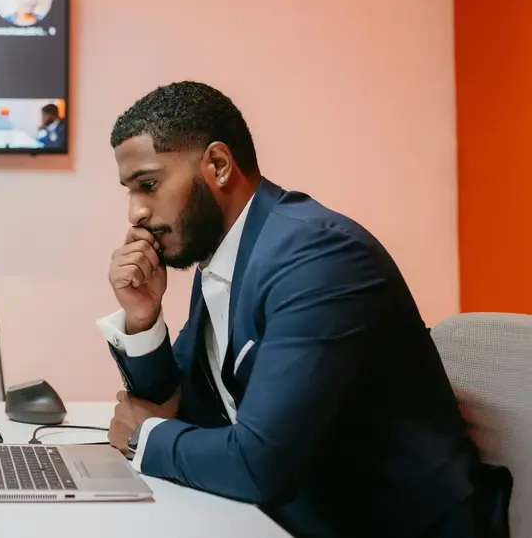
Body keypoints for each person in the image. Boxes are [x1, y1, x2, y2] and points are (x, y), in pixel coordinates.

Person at [99, 81, 511, 538]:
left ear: (218, 165)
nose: (135, 212)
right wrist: (143, 316)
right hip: (289, 512)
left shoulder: (317, 257)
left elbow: (261, 463)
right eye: (130, 191)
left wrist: (147, 437)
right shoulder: (225, 255)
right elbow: (177, 404)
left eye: (149, 185)